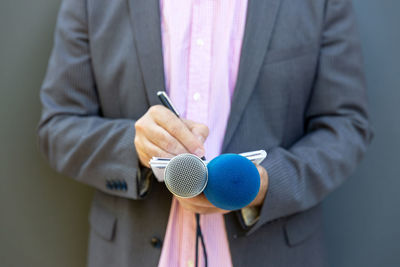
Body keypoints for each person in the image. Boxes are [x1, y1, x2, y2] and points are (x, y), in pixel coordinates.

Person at [37, 0, 373, 266]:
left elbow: (346, 126)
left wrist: (265, 185)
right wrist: (135, 146)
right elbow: (59, 127)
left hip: (274, 252)